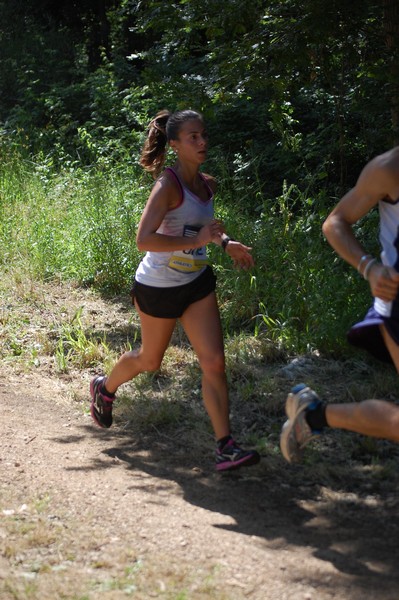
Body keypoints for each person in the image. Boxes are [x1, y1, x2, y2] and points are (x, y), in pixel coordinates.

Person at [89, 109, 260, 471]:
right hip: (159, 286)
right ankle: (104, 388)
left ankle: (225, 446)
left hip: (195, 283)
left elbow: (205, 229)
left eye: (204, 135)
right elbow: (142, 240)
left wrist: (225, 241)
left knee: (214, 362)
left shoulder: (206, 184)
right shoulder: (167, 186)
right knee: (150, 360)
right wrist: (196, 238)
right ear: (176, 144)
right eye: (193, 137)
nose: (202, 142)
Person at [280, 146, 399, 463]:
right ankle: (316, 415)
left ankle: (314, 415)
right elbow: (335, 221)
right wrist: (370, 268)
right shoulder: (389, 168)